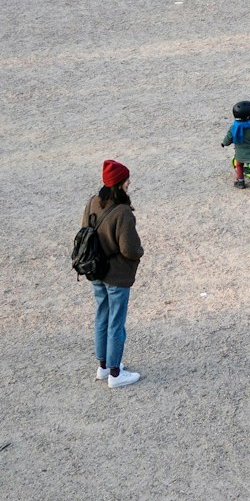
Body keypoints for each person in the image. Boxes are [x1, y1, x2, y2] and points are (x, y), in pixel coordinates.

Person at [84, 159, 145, 387]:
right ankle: (116, 374)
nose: (129, 183)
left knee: (102, 316)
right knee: (116, 323)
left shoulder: (92, 203)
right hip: (116, 275)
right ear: (119, 184)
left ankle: (103, 367)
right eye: (126, 180)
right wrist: (140, 252)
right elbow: (129, 249)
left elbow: (85, 230)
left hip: (96, 270)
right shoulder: (123, 212)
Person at [222, 100, 250, 187]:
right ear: (247, 116)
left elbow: (228, 138)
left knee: (239, 165)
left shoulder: (234, 128)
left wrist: (224, 143)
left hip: (241, 154)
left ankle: (240, 181)